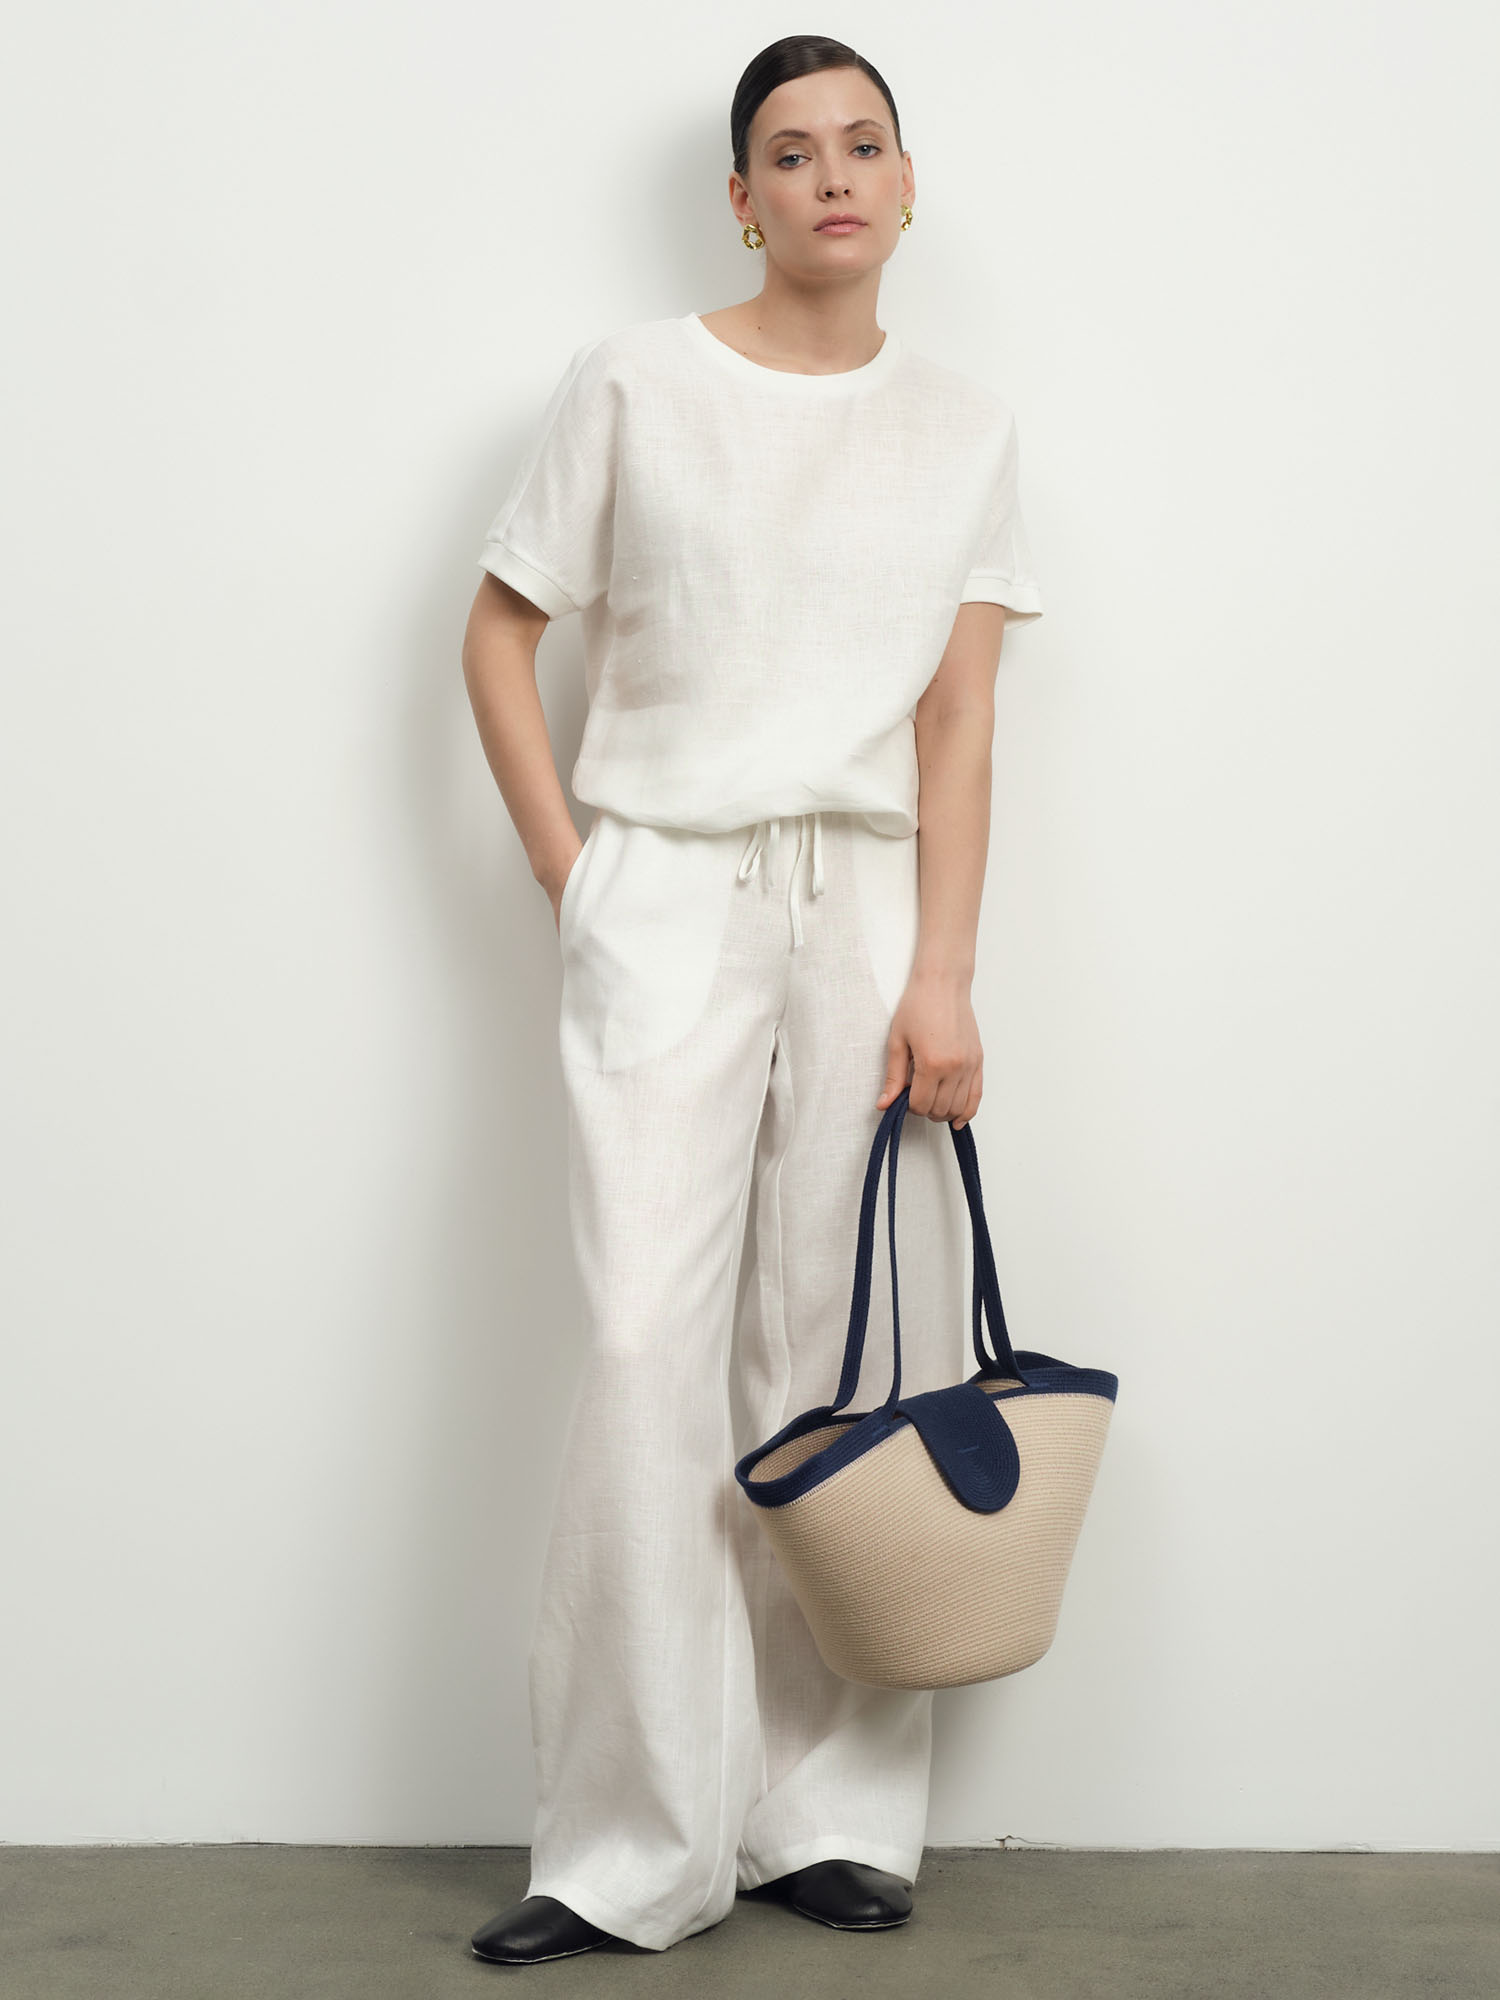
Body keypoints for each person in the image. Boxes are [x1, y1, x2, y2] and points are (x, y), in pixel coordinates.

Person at [458, 33, 1044, 1966]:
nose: (831, 177)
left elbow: (959, 723)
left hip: (867, 902)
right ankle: (626, 1843)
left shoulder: (964, 425)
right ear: (741, 197)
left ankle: (822, 1815)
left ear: (908, 180)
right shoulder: (634, 382)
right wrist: (577, 874)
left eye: (864, 144)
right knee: (648, 1346)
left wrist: (941, 972)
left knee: (834, 1346)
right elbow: (500, 631)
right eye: (789, 153)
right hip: (667, 886)